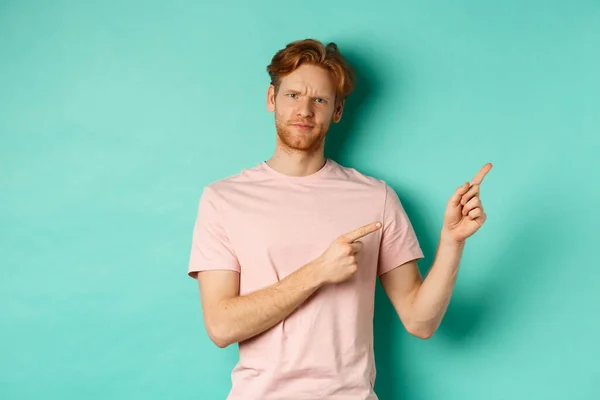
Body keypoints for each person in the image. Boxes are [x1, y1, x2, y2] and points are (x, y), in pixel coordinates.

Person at [187, 38, 492, 400]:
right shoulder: (224, 198)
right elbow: (221, 326)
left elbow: (420, 321)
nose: (304, 110)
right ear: (272, 99)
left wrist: (452, 243)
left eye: (319, 99)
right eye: (293, 95)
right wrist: (317, 272)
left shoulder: (375, 197)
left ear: (337, 110)